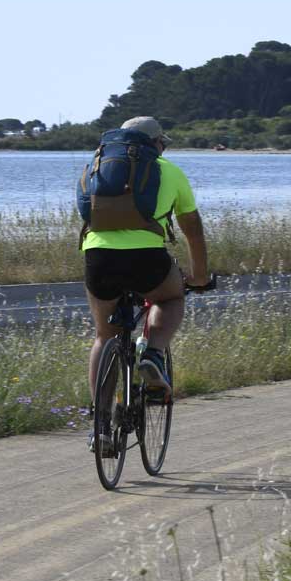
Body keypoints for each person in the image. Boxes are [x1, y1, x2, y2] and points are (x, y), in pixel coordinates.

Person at [81, 117, 209, 447]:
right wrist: (198, 277)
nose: (163, 149)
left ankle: (100, 427)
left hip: (98, 257)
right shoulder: (168, 170)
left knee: (103, 335)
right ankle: (152, 354)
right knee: (169, 298)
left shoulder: (98, 165)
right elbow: (192, 229)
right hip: (147, 259)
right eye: (163, 143)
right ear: (155, 143)